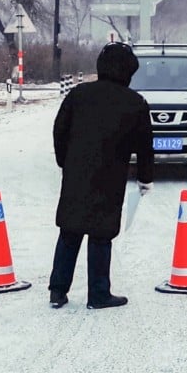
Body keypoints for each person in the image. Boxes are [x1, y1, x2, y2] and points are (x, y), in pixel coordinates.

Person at [49, 41, 155, 309]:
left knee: (69, 231)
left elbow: (59, 130)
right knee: (101, 234)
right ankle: (98, 294)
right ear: (129, 71)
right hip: (110, 176)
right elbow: (145, 146)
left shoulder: (79, 95)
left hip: (76, 172)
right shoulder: (135, 103)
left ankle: (57, 291)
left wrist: (65, 161)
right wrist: (145, 177)